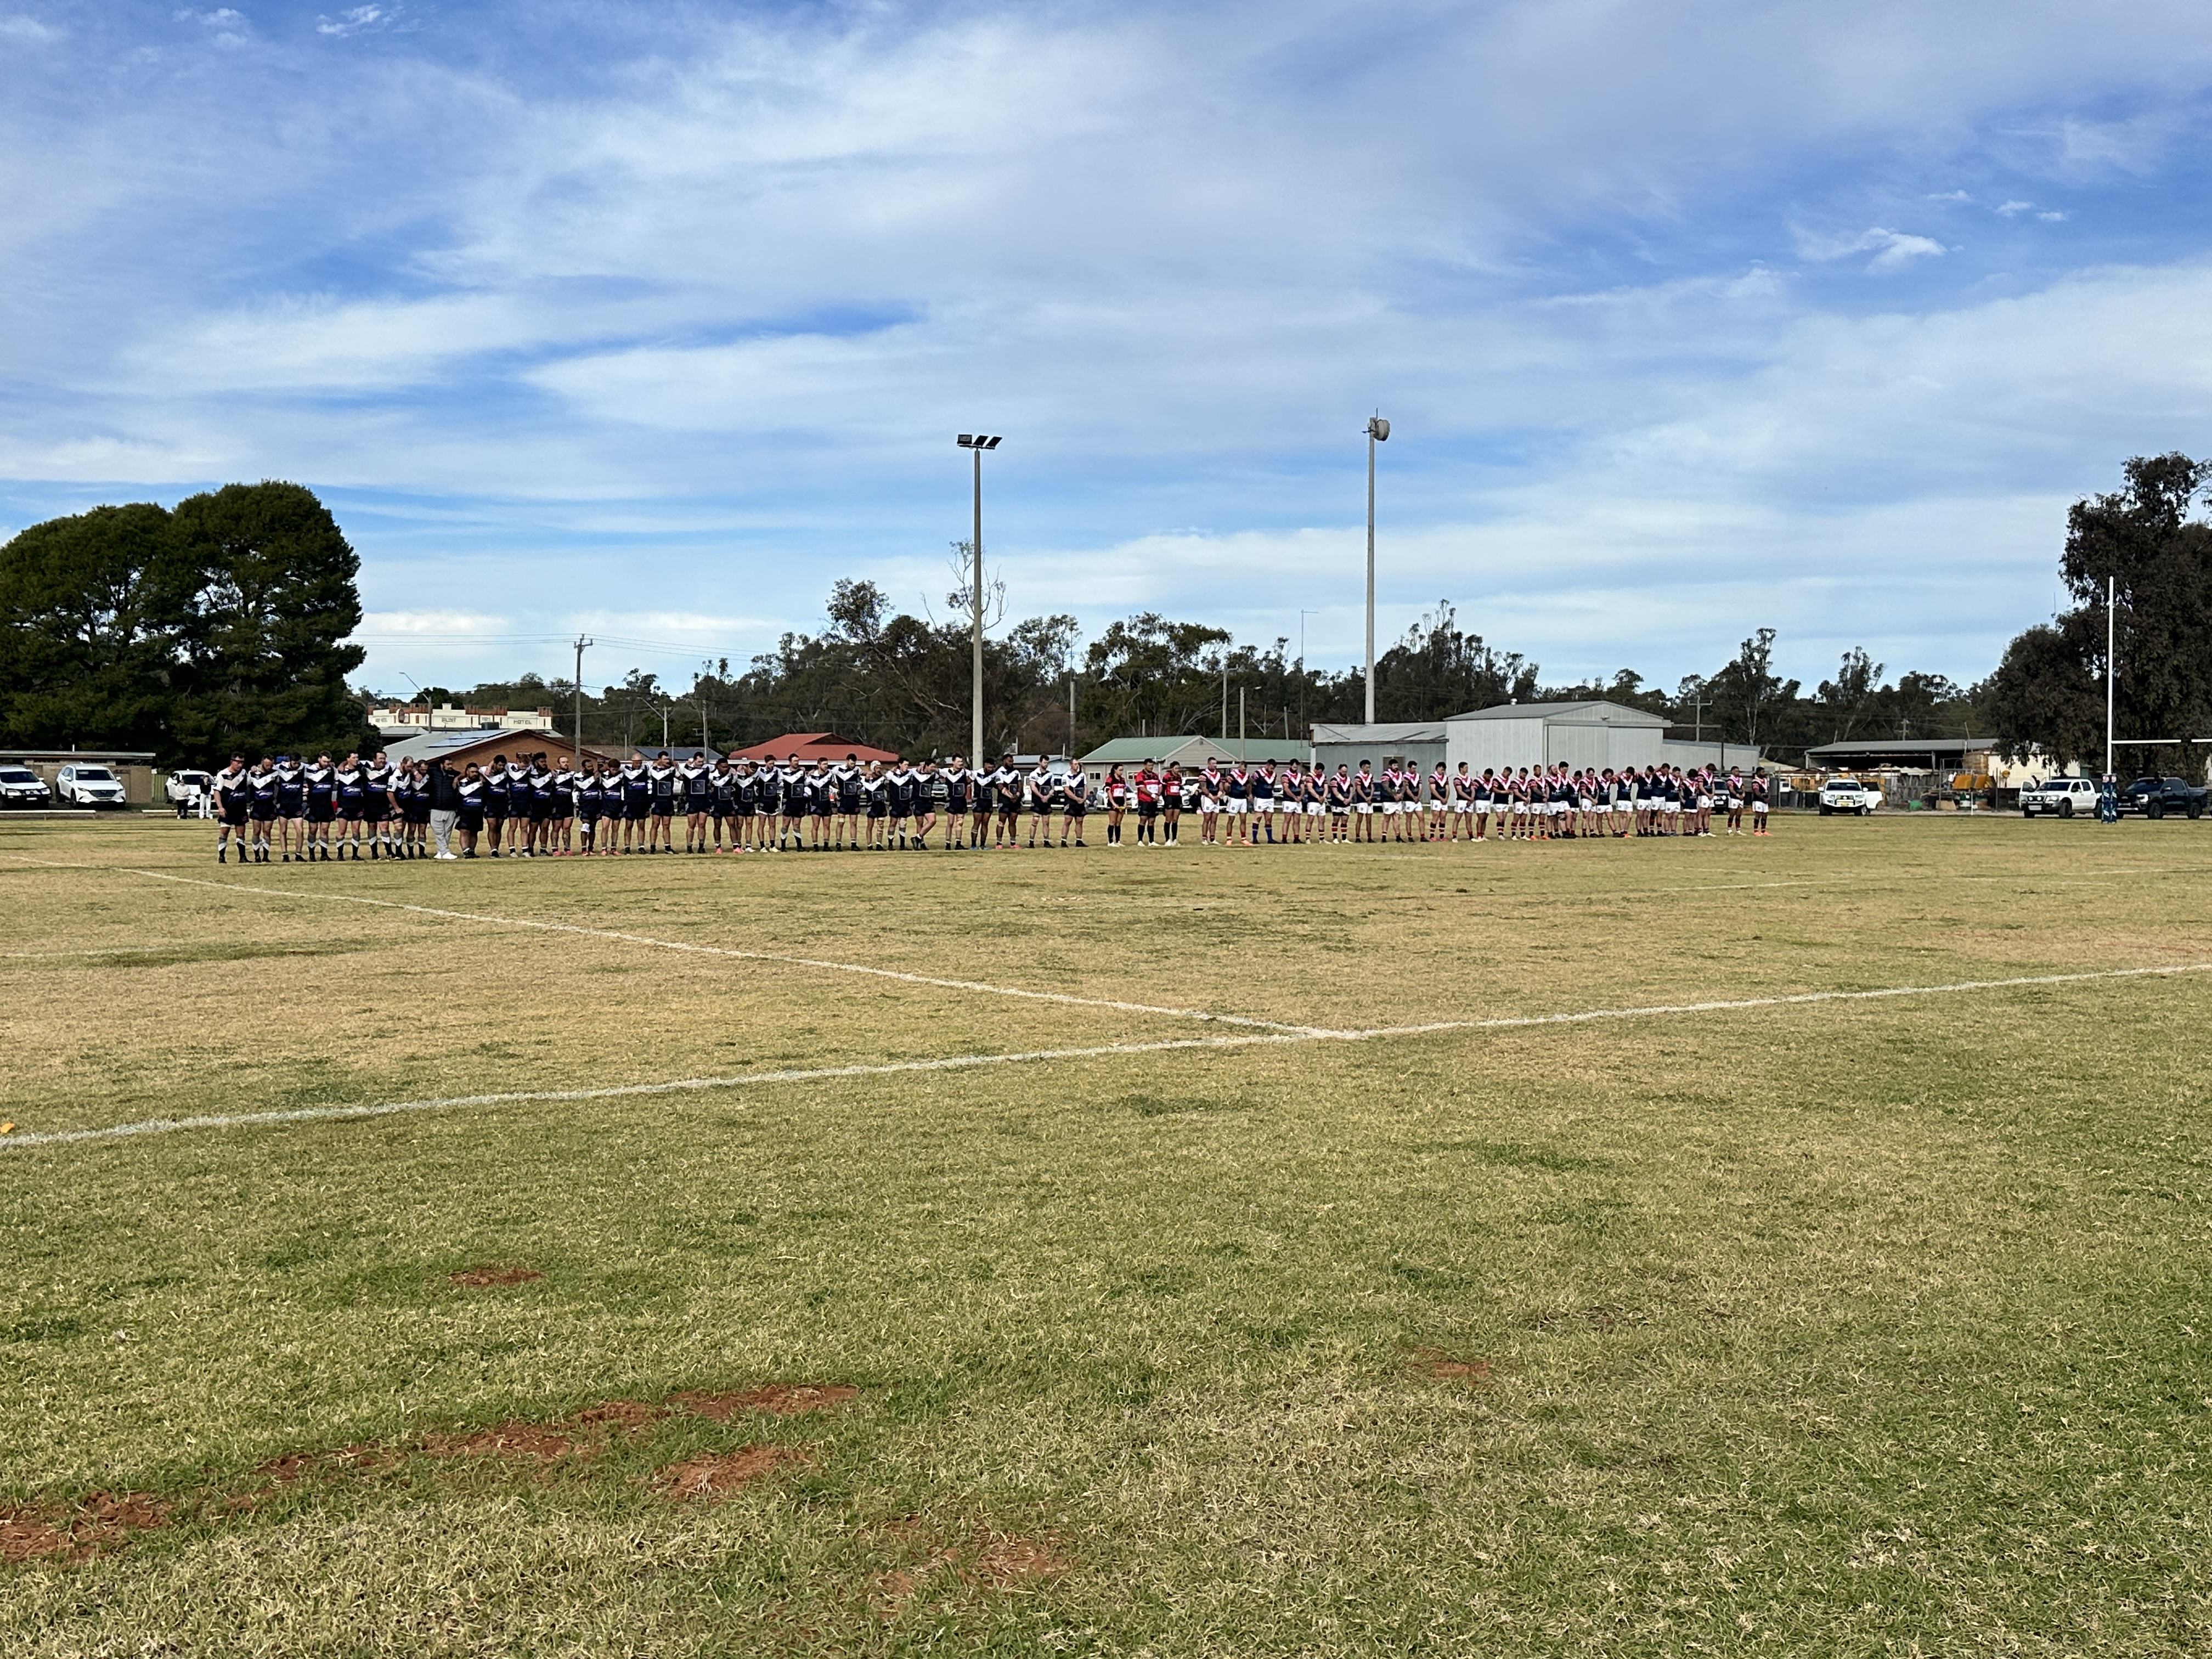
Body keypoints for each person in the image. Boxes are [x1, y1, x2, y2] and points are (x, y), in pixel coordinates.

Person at [427, 755, 461, 859]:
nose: (450, 766)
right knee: (439, 832)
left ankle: (440, 852)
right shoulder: (433, 772)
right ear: (442, 764)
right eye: (448, 764)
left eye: (451, 764)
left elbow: (465, 773)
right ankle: (445, 852)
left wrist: (457, 778)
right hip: (436, 807)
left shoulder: (454, 773)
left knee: (447, 832)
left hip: (451, 808)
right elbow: (418, 768)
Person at [454, 762, 487, 856]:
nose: (475, 774)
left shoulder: (482, 783)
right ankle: (465, 850)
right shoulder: (460, 783)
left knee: (474, 832)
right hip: (464, 812)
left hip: (478, 812)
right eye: (472, 772)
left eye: (476, 772)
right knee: (465, 831)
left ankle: (471, 851)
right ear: (467, 772)